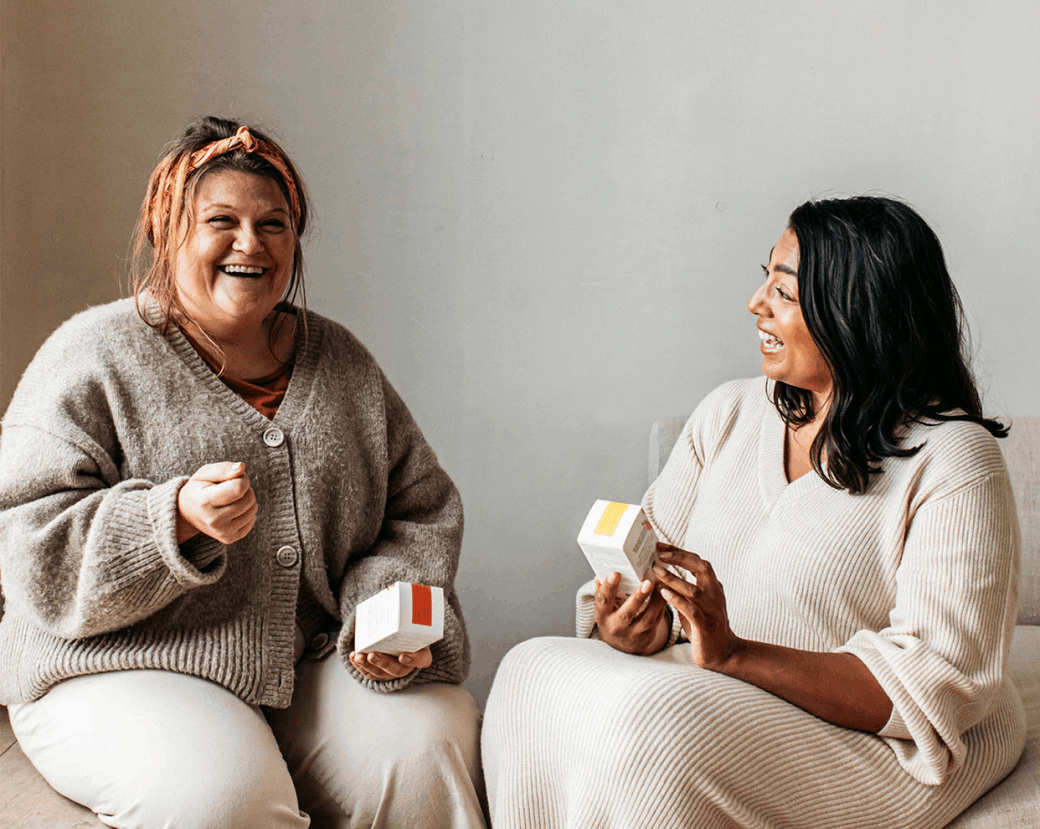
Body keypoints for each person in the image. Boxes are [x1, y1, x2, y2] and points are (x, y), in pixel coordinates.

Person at [0, 117, 487, 829]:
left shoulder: (342, 363)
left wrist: (380, 621)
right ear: (168, 233)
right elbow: (28, 545)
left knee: (428, 738)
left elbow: (418, 509)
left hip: (303, 661)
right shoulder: (92, 354)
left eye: (274, 224)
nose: (250, 244)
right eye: (221, 221)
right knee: (226, 798)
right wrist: (171, 521)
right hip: (120, 662)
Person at [481, 196, 1025, 829]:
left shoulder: (954, 458)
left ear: (858, 312)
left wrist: (736, 653)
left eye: (785, 292)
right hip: (723, 687)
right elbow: (655, 567)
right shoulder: (732, 412)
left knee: (654, 731)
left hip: (883, 740)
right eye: (764, 276)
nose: (755, 303)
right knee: (529, 672)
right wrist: (635, 626)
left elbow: (937, 682)